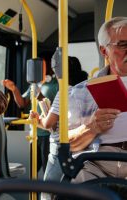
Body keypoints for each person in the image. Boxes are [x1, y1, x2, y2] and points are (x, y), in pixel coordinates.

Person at [65, 16, 127, 183]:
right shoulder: (80, 92)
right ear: (104, 50)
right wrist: (91, 127)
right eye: (122, 45)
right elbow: (67, 144)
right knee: (78, 181)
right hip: (95, 164)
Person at [29, 57, 88, 199]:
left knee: (46, 194)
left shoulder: (64, 92)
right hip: (83, 147)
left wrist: (37, 121)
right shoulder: (86, 89)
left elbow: (49, 124)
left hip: (60, 149)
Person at [1, 51, 59, 173]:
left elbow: (57, 107)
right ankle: (33, 192)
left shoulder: (56, 85)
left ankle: (47, 191)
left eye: (41, 67)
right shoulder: (34, 85)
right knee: (33, 169)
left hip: (48, 133)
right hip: (34, 132)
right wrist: (14, 89)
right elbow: (22, 103)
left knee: (47, 169)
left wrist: (39, 96)